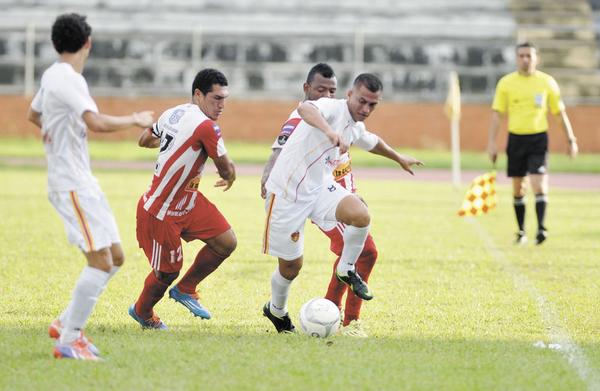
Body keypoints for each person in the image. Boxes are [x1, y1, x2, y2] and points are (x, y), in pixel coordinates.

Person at [27, 13, 154, 360]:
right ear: (88, 43)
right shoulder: (70, 79)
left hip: (82, 180)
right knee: (99, 262)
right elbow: (94, 122)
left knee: (115, 258)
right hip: (71, 183)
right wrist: (135, 119)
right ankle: (69, 339)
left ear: (55, 43)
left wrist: (56, 136)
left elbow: (34, 115)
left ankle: (66, 321)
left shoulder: (51, 74)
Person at [261, 72, 422, 333]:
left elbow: (372, 142)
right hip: (287, 194)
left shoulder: (355, 125)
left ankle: (347, 269)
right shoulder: (330, 107)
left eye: (373, 104)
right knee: (291, 267)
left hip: (319, 188)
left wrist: (398, 157)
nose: (366, 109)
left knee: (361, 215)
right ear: (349, 95)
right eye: (362, 101)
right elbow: (305, 108)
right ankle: (276, 310)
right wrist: (329, 131)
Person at [261, 63, 376, 337]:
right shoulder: (307, 115)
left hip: (328, 192)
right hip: (299, 194)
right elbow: (281, 147)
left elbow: (345, 159)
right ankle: (345, 320)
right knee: (365, 252)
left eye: (331, 90)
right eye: (320, 89)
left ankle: (343, 318)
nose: (325, 95)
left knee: (362, 250)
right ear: (307, 89)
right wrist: (267, 177)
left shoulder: (345, 116)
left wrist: (350, 194)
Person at [129, 68, 237, 330]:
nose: (222, 105)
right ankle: (143, 312)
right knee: (167, 272)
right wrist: (230, 177)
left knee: (226, 242)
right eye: (216, 98)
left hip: (188, 201)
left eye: (224, 99)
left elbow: (145, 140)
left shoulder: (172, 113)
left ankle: (186, 289)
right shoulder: (207, 127)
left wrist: (171, 141)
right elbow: (226, 169)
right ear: (198, 94)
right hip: (161, 210)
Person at [487, 42, 578, 245]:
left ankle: (541, 230)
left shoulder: (547, 82)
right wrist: (491, 143)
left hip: (538, 139)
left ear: (536, 58)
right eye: (521, 56)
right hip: (516, 139)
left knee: (538, 184)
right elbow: (497, 116)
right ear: (516, 59)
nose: (525, 59)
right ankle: (521, 232)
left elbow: (559, 113)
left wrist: (571, 139)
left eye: (529, 55)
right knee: (519, 189)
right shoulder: (506, 83)